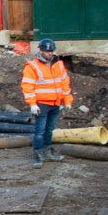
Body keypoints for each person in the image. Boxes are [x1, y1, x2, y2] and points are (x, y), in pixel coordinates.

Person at [20, 38, 72, 167]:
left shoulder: (58, 65)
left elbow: (64, 84)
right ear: (40, 50)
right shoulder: (32, 66)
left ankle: (47, 151)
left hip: (55, 103)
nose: (49, 53)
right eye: (46, 51)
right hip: (41, 104)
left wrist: (67, 101)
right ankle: (38, 153)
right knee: (40, 131)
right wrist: (32, 104)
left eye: (51, 51)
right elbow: (28, 86)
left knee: (49, 130)